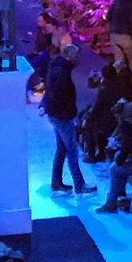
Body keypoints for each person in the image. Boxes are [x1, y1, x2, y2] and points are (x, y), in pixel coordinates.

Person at [40, 42, 96, 196]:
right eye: (76, 56)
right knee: (72, 150)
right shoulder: (62, 74)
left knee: (62, 150)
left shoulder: (55, 68)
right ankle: (80, 184)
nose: (78, 59)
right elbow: (58, 94)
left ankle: (56, 182)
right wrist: (69, 113)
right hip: (62, 117)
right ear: (70, 56)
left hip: (55, 115)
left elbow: (50, 91)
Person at [96, 99, 132, 214]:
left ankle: (111, 203)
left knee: (115, 169)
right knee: (118, 160)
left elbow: (128, 146)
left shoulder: (126, 124)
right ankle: (120, 196)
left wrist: (119, 161)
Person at [82, 65, 122, 163]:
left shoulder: (104, 89)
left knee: (87, 127)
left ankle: (91, 155)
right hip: (115, 115)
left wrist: (87, 119)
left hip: (106, 117)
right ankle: (101, 153)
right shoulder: (118, 85)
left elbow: (97, 107)